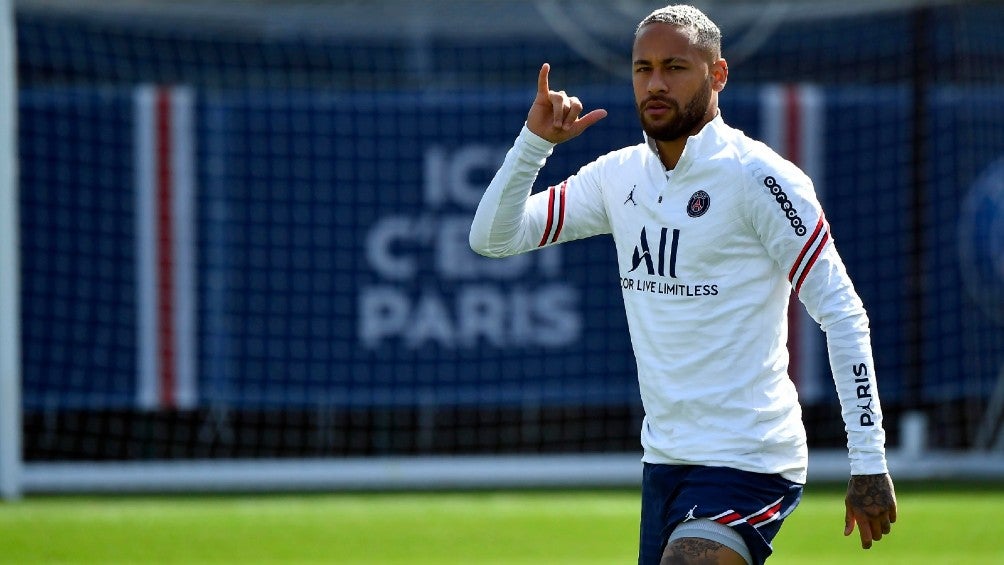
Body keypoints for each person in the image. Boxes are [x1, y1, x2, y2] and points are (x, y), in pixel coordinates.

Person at [468, 4, 897, 565]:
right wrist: (533, 144)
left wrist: (867, 459)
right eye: (643, 69)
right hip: (665, 457)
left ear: (717, 75)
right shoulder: (618, 175)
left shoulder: (760, 178)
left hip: (752, 457)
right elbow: (492, 238)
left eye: (676, 67)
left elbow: (842, 312)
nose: (656, 83)